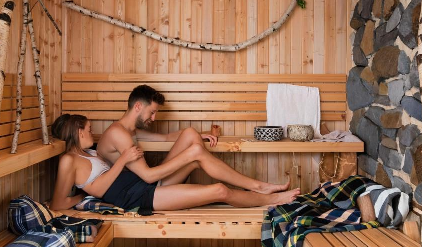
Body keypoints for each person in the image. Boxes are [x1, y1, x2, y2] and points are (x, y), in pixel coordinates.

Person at [96, 84, 298, 210]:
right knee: (209, 173)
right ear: (138, 106)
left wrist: (200, 136)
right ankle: (262, 192)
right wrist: (190, 154)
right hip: (142, 192)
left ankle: (257, 187)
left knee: (190, 134)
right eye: (152, 112)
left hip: (147, 185)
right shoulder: (118, 134)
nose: (154, 118)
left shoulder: (129, 130)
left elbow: (166, 137)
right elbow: (148, 176)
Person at [50, 114, 300, 212]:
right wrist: (82, 198)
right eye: (88, 129)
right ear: (77, 132)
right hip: (139, 199)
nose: (92, 133)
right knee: (219, 191)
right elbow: (61, 202)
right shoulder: (68, 161)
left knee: (196, 157)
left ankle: (260, 187)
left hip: (144, 187)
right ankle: (270, 198)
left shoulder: (89, 152)